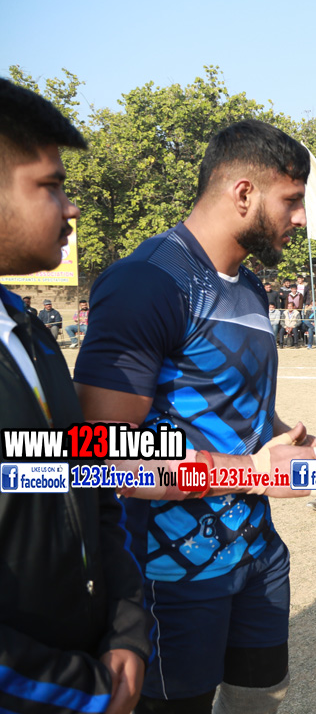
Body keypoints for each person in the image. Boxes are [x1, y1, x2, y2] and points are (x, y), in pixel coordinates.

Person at [73, 119, 316, 714]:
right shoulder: (146, 282)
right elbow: (99, 454)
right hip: (168, 571)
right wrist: (254, 471)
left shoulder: (249, 288)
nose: (302, 218)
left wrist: (300, 450)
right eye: (292, 200)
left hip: (257, 554)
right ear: (244, 193)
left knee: (261, 697)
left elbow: (238, 404)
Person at [0, 75, 151, 714]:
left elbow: (91, 486)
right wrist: (81, 692)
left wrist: (125, 627)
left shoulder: (31, 335)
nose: (72, 208)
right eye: (50, 186)